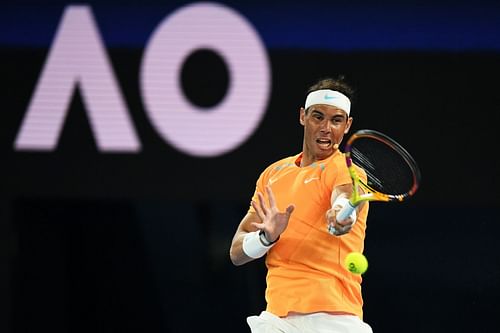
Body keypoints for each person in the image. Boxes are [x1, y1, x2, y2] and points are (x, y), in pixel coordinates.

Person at [229, 77, 373, 333]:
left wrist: (341, 215)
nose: (326, 128)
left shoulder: (347, 169)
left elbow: (344, 198)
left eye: (336, 120)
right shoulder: (272, 174)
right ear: (302, 117)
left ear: (347, 125)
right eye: (318, 117)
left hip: (334, 320)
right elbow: (236, 253)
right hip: (277, 320)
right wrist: (265, 237)